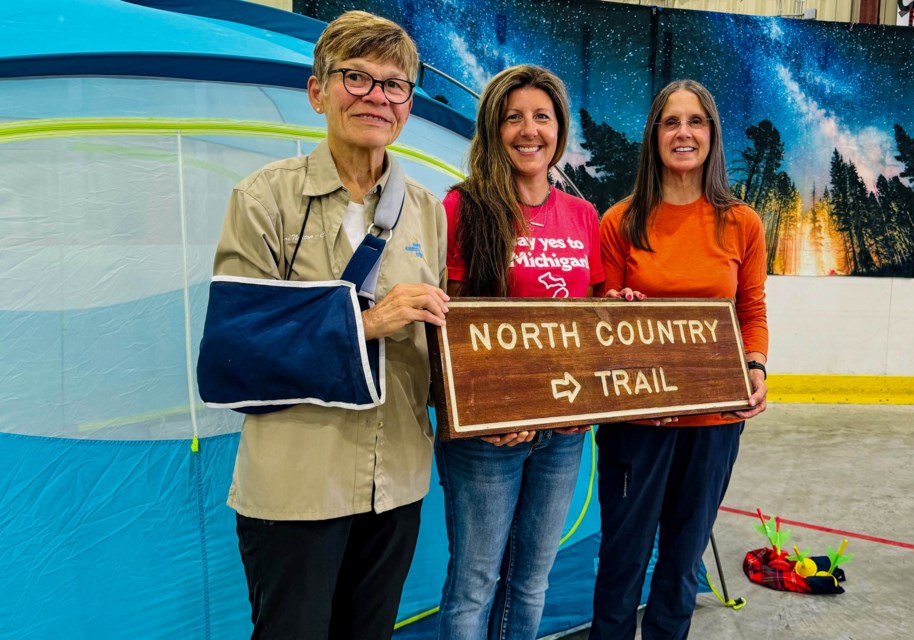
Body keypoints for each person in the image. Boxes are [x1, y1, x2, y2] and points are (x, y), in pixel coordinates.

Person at [207, 11, 448, 640]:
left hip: (396, 481)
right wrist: (368, 322)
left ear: (408, 105)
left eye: (394, 84)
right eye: (356, 77)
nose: (376, 97)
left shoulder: (426, 210)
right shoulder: (263, 200)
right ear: (318, 92)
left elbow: (439, 339)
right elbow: (236, 347)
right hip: (296, 486)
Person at [589, 79, 768, 640]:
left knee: (681, 567)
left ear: (712, 135)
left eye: (696, 122)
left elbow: (752, 311)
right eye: (671, 122)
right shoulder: (620, 221)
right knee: (622, 565)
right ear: (655, 135)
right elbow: (599, 318)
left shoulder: (743, 222)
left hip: (713, 426)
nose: (683, 133)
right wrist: (613, 306)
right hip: (636, 426)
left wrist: (757, 368)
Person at [436, 65, 605, 640]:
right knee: (473, 586)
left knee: (532, 582)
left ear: (559, 129)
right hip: (488, 439)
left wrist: (622, 308)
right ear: (492, 129)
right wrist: (491, 414)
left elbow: (593, 318)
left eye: (542, 116)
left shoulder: (583, 216)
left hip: (562, 435)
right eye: (513, 117)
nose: (528, 130)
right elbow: (449, 327)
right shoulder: (462, 208)